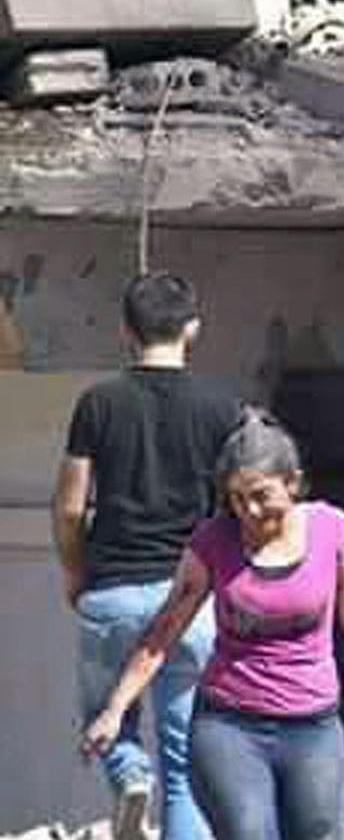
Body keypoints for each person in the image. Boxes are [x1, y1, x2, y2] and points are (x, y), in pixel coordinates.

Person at [83, 415, 344, 840]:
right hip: (230, 726)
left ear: (293, 483)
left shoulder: (332, 532)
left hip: (312, 727)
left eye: (261, 495)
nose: (250, 511)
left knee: (319, 831)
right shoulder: (214, 542)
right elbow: (164, 631)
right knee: (250, 831)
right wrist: (116, 709)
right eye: (237, 499)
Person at [53, 274, 245, 840]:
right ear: (193, 329)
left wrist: (74, 571)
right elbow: (240, 504)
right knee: (184, 761)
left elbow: (69, 506)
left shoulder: (98, 403)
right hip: (191, 599)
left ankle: (130, 773)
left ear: (124, 331)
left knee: (105, 718)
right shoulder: (222, 407)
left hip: (112, 588)